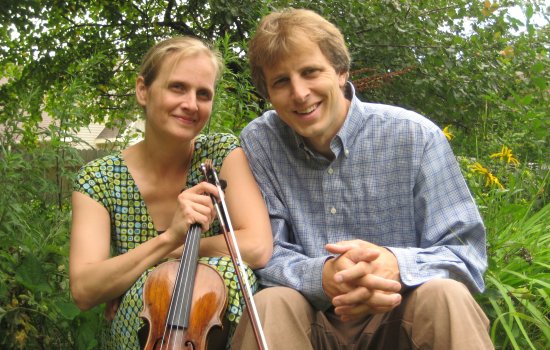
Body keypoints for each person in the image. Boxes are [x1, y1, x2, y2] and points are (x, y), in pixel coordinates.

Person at [232, 8, 493, 349]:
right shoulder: (260, 142)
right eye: (281, 81)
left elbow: (465, 251)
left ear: (341, 71)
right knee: (269, 304)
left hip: (402, 313)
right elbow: (268, 252)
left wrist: (394, 266)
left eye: (311, 72)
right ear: (268, 91)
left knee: (447, 296)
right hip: (310, 320)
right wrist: (323, 277)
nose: (299, 93)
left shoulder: (415, 137)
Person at [69, 36, 272, 349]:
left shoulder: (220, 154)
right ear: (143, 90)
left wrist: (151, 263)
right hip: (146, 335)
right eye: (177, 87)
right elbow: (84, 289)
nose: (191, 104)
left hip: (223, 333)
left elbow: (257, 247)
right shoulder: (98, 180)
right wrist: (169, 236)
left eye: (203, 94)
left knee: (225, 272)